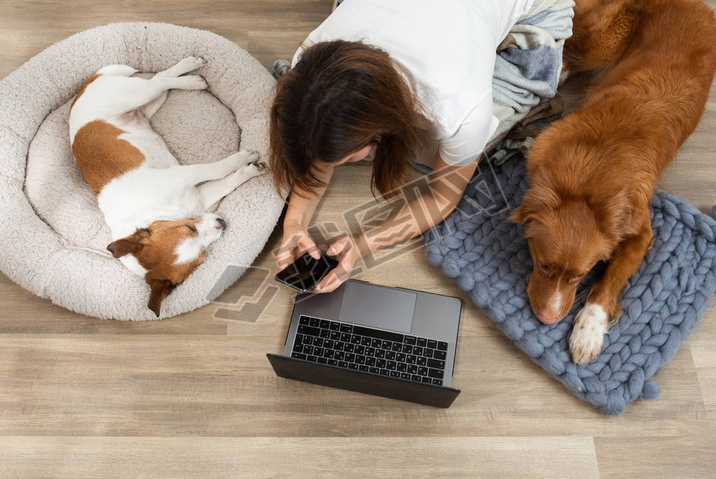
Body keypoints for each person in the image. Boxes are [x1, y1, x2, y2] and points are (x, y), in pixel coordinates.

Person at [270, 0, 536, 293]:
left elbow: (442, 196)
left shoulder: (458, 109)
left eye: (341, 158)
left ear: (378, 129)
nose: (328, 167)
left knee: (444, 150)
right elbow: (317, 145)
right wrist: (293, 224)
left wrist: (365, 244)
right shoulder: (308, 62)